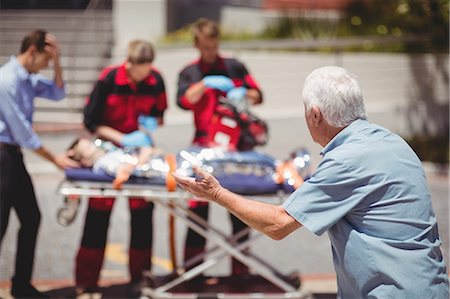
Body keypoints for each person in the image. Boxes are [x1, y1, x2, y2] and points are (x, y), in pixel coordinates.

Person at [173, 66, 450, 298]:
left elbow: (278, 224)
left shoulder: (347, 159)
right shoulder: (392, 142)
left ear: (315, 115)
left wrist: (217, 193)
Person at [76, 39, 167, 295]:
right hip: (107, 152)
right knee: (97, 217)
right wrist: (121, 138)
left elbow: (158, 115)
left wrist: (145, 136)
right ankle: (86, 281)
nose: (143, 76)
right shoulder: (109, 79)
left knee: (142, 218)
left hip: (140, 155)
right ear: (129, 64)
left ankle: (139, 279)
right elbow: (91, 121)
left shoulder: (156, 79)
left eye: (147, 71)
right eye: (139, 71)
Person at [176, 18, 263, 277]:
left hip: (236, 146)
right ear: (197, 45)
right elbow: (183, 100)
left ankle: (240, 274)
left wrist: (241, 93)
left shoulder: (235, 67)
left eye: (214, 47)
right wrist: (205, 84)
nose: (211, 53)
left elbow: (258, 94)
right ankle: (193, 273)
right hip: (203, 146)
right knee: (197, 214)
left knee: (238, 211)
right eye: (206, 48)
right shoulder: (189, 72)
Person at [0, 29, 79, 298]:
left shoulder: (29, 79)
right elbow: (22, 131)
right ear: (32, 51)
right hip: (2, 154)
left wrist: (57, 61)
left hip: (12, 155)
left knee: (31, 217)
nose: (47, 66)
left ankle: (21, 286)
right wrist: (55, 159)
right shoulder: (6, 79)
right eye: (46, 60)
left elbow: (58, 93)